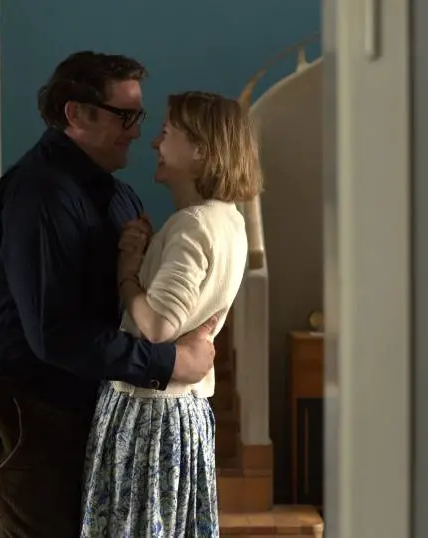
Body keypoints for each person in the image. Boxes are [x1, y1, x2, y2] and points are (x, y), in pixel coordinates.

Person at [0, 52, 218, 538]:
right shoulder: (40, 197)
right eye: (124, 116)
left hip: (58, 396)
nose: (138, 132)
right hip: (7, 398)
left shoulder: (115, 195)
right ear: (76, 114)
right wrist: (169, 362)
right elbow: (57, 335)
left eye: (139, 116)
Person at [80, 91, 263, 538]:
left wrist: (127, 273)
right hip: (183, 410)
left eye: (166, 133)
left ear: (201, 150)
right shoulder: (228, 220)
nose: (154, 143)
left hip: (150, 413)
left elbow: (158, 326)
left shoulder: (192, 225)